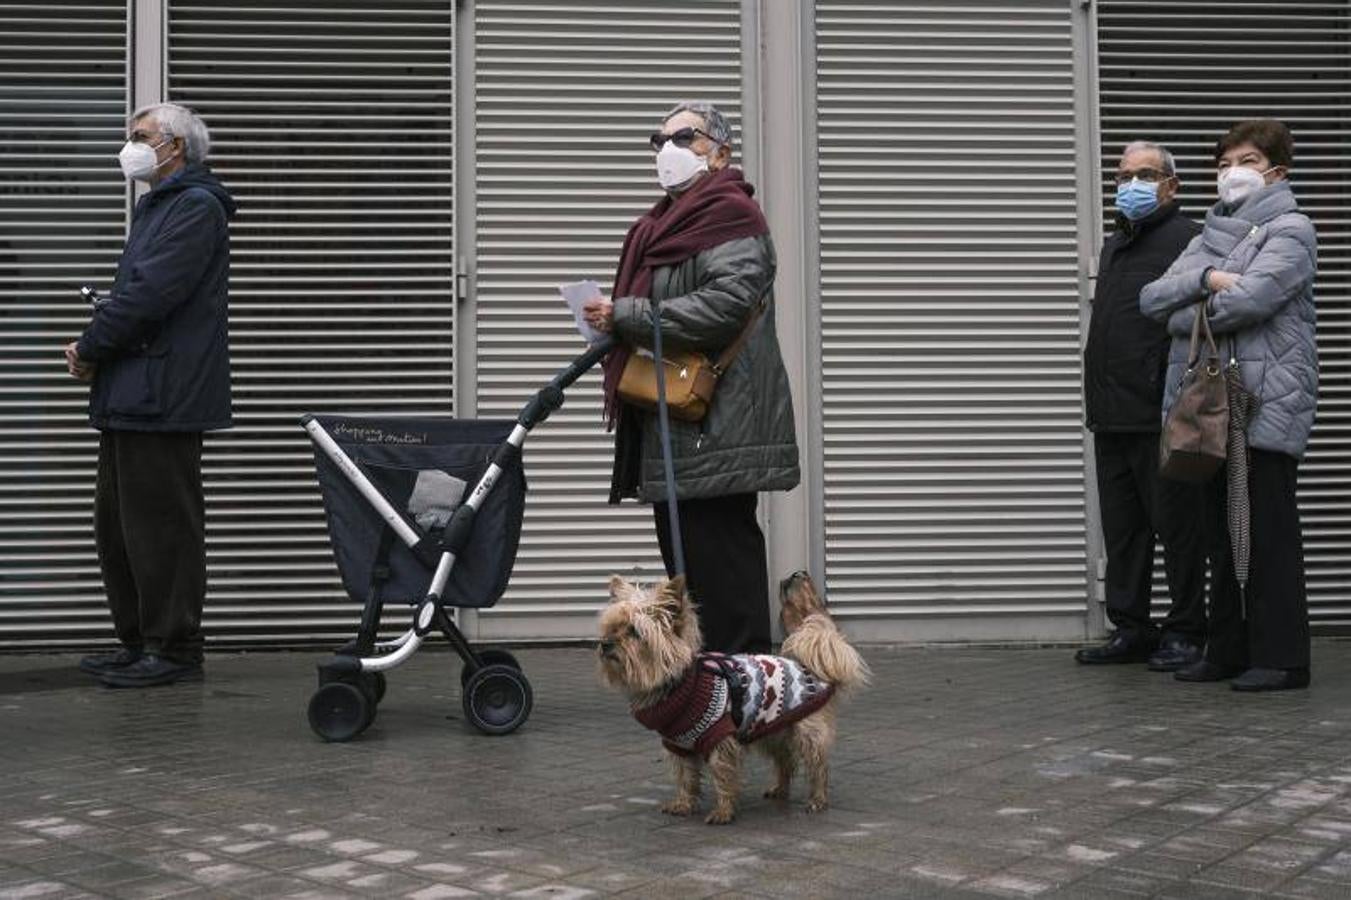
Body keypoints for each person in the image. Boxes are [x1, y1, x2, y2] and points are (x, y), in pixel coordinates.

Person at [581, 101, 800, 654]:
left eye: (685, 138)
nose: (668, 151)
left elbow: (725, 305)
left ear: (721, 153)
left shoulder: (730, 218)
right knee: (690, 569)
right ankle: (712, 693)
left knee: (722, 567)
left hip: (718, 423)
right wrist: (612, 319)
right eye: (660, 141)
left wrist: (628, 314)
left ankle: (749, 690)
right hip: (678, 423)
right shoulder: (667, 224)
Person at [1140, 119, 1318, 691]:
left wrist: (1195, 297)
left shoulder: (1292, 230)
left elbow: (1254, 301)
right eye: (1222, 164)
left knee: (1266, 530)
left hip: (1266, 401)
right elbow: (1151, 300)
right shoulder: (1206, 238)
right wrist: (1212, 277)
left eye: (1244, 160)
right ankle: (1228, 649)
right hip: (1214, 402)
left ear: (1276, 171)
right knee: (1218, 531)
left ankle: (1283, 657)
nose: (1230, 173)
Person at [65, 103, 236, 687]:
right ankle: (140, 641)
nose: (130, 147)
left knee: (163, 526)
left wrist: (90, 347)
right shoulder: (156, 208)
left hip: (165, 395)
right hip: (133, 392)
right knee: (119, 526)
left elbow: (147, 298)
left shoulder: (194, 208)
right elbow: (137, 297)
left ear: (176, 148)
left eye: (140, 137)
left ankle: (175, 649)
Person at [1077, 142, 1208, 672]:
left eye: (1145, 174)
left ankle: (1185, 631)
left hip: (1162, 411)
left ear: (1171, 185)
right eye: (1123, 174)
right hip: (1111, 413)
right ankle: (1132, 628)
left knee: (1177, 527)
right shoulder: (1116, 243)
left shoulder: (1190, 239)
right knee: (1124, 531)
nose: (1130, 184)